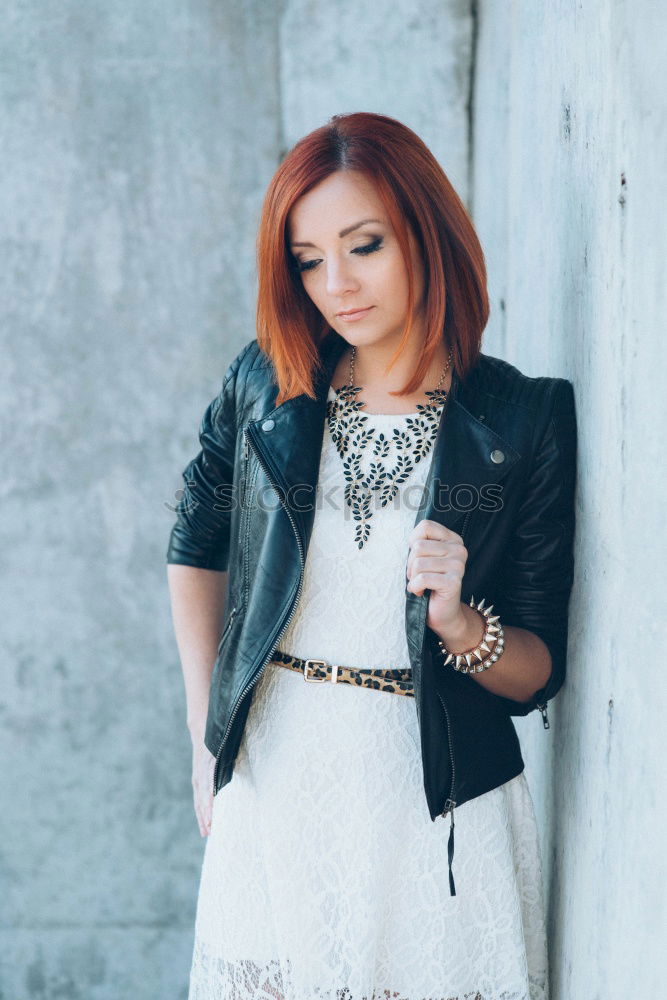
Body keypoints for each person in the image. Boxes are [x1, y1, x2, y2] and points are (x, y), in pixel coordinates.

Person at [166, 111, 577, 1000]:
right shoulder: (265, 384)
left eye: (363, 246)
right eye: (309, 260)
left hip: (430, 803)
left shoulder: (522, 417)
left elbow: (538, 667)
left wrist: (460, 621)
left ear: (425, 232)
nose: (336, 285)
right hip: (276, 776)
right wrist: (209, 741)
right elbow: (194, 541)